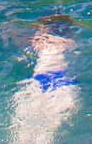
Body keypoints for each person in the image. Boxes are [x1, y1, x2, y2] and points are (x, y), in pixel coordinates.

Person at [9, 15, 80, 144]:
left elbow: (21, 41)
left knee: (24, 133)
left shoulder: (43, 41)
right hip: (61, 84)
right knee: (45, 134)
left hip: (41, 82)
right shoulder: (69, 43)